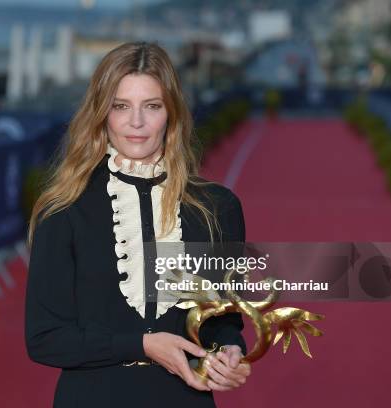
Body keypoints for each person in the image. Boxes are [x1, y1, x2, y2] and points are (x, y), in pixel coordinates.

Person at [24, 41, 251, 407]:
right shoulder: (64, 209)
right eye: (121, 106)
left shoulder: (218, 207)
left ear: (171, 113)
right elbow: (45, 338)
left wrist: (229, 350)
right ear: (102, 113)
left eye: (152, 106)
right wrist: (142, 344)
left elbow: (221, 319)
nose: (136, 122)